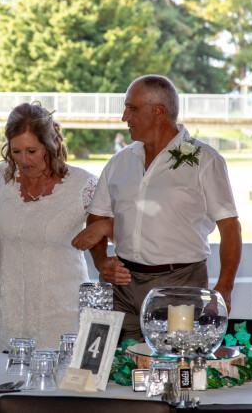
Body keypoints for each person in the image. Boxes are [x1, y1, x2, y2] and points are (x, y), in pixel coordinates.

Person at [73, 75, 242, 342]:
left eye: (132, 109)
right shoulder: (119, 162)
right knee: (115, 361)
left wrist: (224, 288)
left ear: (158, 112)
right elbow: (97, 218)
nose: (124, 117)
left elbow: (230, 227)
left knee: (173, 361)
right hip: (120, 287)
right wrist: (102, 262)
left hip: (179, 287)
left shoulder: (205, 160)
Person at [0, 102, 108, 353]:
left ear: (51, 145)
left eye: (32, 151)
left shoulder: (84, 185)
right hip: (4, 314)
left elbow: (128, 222)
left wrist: (105, 226)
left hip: (62, 318)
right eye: (16, 151)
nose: (24, 160)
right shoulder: (2, 178)